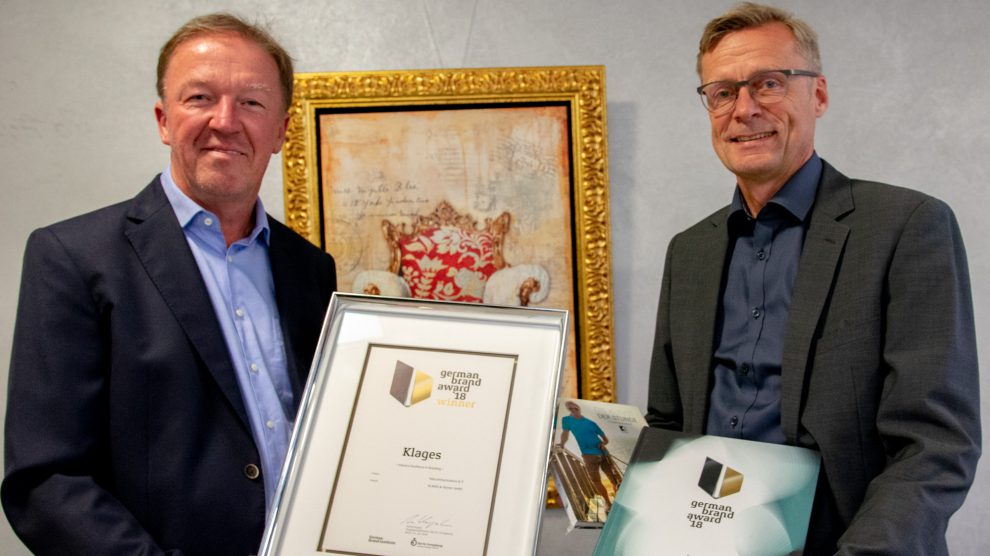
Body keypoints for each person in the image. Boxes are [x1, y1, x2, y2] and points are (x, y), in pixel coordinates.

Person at [645, 3, 980, 554]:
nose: (744, 109)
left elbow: (936, 444)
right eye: (722, 92)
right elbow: (669, 422)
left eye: (769, 83)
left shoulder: (907, 227)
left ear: (818, 95)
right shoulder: (689, 252)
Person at [2, 13, 336, 555]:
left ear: (279, 129)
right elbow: (46, 482)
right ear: (163, 119)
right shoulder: (72, 257)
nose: (225, 121)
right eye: (199, 98)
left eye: (251, 102)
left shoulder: (310, 269)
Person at [559, 401, 620, 511]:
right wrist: (562, 444)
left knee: (614, 479)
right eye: (570, 407)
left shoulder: (591, 423)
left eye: (574, 406)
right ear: (568, 410)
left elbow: (606, 440)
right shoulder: (567, 420)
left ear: (579, 407)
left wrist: (603, 443)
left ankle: (618, 501)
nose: (573, 408)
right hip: (588, 456)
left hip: (604, 454)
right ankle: (608, 503)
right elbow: (565, 433)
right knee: (596, 481)